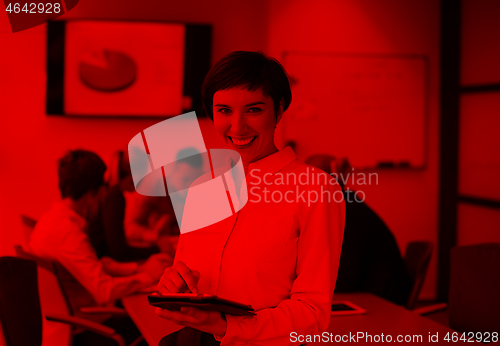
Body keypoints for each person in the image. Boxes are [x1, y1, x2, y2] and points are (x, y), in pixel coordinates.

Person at [155, 51, 346, 346]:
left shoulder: (315, 189)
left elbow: (312, 314)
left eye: (254, 110)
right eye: (224, 111)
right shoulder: (201, 189)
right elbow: (186, 277)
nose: (237, 126)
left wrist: (227, 326)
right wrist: (173, 283)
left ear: (279, 110)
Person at [29, 149, 171, 310]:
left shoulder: (49, 220)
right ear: (91, 194)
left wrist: (137, 268)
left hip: (65, 316)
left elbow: (88, 267)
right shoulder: (69, 232)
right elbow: (104, 291)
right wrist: (147, 276)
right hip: (90, 320)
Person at [305, 155, 411, 305]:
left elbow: (347, 278)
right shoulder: (343, 204)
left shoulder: (349, 211)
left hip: (384, 300)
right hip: (371, 292)